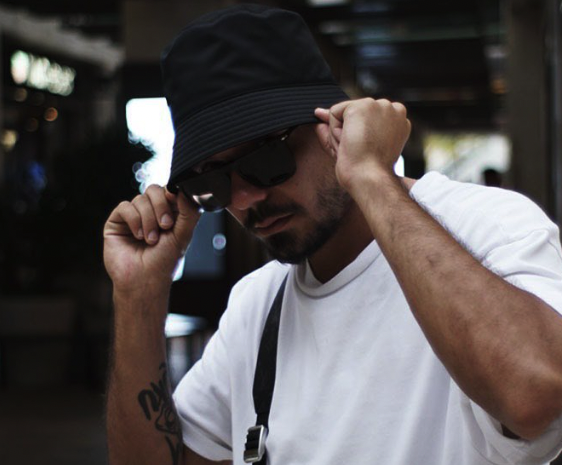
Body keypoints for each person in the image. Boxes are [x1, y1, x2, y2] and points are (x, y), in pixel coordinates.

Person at [104, 5, 562, 465]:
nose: (243, 199)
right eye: (213, 183)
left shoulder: (485, 227)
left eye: (265, 160)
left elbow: (536, 395)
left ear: (334, 125)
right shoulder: (258, 306)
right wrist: (138, 295)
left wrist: (371, 176)